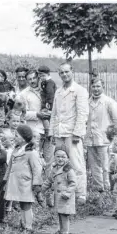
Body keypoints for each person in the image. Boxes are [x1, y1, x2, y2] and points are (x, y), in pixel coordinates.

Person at [49, 63, 89, 204]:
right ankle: (62, 191)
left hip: (72, 133)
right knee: (60, 162)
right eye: (62, 72)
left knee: (76, 163)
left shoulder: (79, 90)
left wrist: (78, 133)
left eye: (67, 72)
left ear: (72, 71)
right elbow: (54, 113)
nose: (65, 75)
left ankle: (80, 194)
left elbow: (82, 113)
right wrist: (52, 132)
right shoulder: (58, 91)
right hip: (60, 132)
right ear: (59, 74)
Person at [3, 124, 42, 234]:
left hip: (26, 183)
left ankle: (28, 226)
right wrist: (6, 180)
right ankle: (24, 223)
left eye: (17, 135)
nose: (15, 137)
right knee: (21, 203)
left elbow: (37, 169)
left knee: (26, 204)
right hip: (15, 182)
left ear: (24, 137)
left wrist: (36, 184)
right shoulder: (16, 150)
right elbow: (9, 167)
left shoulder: (31, 152)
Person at [85, 78, 117, 192]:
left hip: (104, 139)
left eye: (98, 86)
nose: (96, 89)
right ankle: (99, 189)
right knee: (94, 165)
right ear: (90, 87)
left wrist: (111, 135)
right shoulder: (87, 102)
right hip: (90, 139)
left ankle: (108, 188)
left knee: (106, 166)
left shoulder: (109, 102)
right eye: (94, 86)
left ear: (103, 87)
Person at [42, 145, 76, 234]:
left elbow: (73, 183)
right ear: (54, 157)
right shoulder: (55, 169)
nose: (60, 159)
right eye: (58, 156)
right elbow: (49, 180)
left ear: (68, 158)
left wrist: (68, 193)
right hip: (58, 197)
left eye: (63, 157)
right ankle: (61, 230)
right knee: (60, 214)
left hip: (65, 197)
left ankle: (65, 232)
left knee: (64, 215)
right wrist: (42, 189)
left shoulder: (68, 170)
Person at [38, 65, 57, 136]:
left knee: (45, 115)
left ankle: (48, 131)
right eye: (40, 76)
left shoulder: (50, 82)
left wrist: (48, 102)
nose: (41, 77)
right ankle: (47, 130)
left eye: (43, 75)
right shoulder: (44, 81)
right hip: (45, 101)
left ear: (48, 74)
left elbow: (50, 93)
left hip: (49, 103)